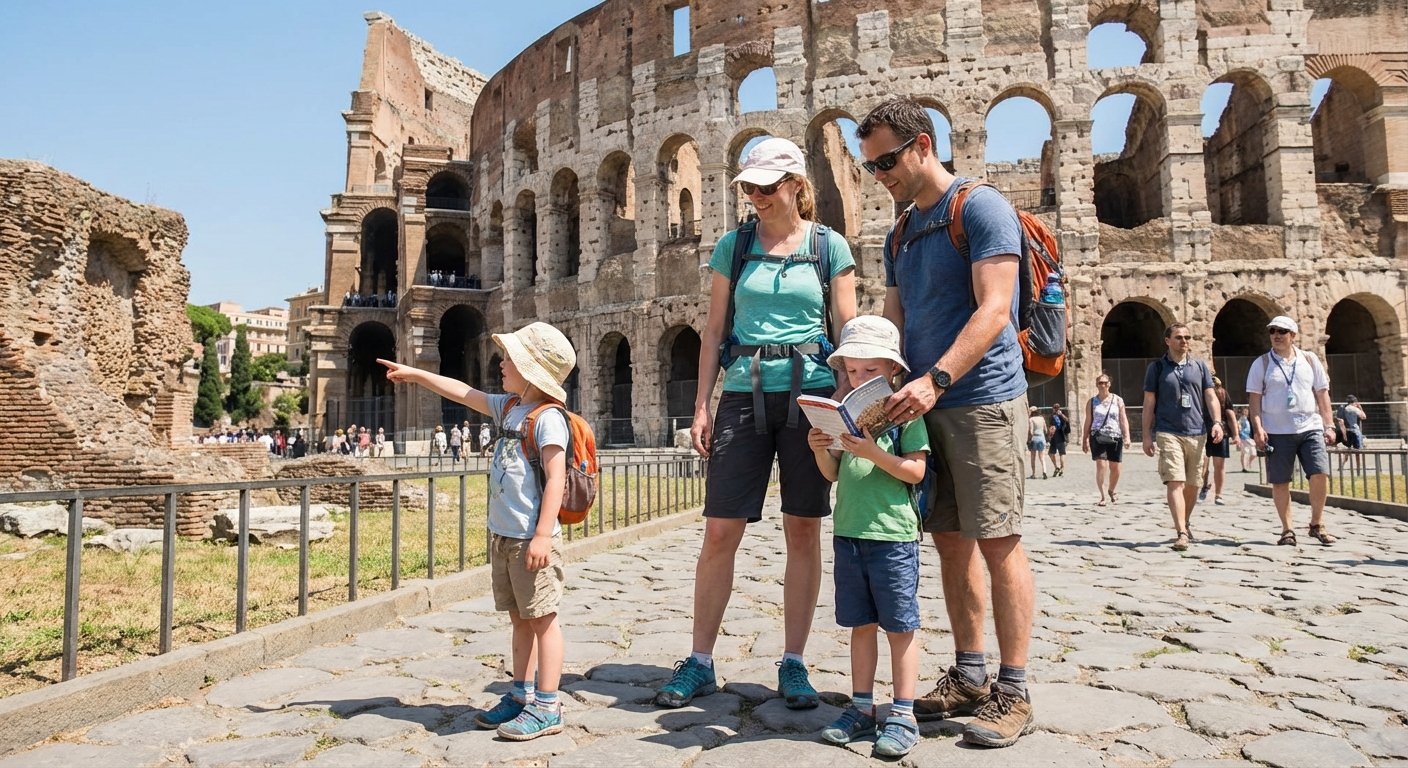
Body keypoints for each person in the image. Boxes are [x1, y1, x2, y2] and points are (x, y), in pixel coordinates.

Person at [655, 136, 857, 712]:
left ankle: (793, 662)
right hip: (744, 393)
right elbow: (713, 332)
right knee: (720, 529)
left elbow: (846, 333)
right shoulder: (733, 246)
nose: (756, 197)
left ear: (796, 183)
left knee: (802, 528)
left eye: (767, 187)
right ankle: (699, 659)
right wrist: (701, 405)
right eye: (749, 187)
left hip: (811, 394)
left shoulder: (829, 247)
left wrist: (847, 399)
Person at [858, 97, 1037, 748]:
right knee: (950, 541)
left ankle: (1013, 690)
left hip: (983, 398)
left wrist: (934, 380)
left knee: (999, 540)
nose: (881, 176)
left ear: (923, 144)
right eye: (870, 167)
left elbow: (994, 309)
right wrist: (871, 391)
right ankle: (969, 674)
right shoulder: (901, 232)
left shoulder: (981, 207)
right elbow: (894, 323)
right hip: (927, 405)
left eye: (887, 161)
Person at [379, 321, 576, 740]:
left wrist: (543, 535)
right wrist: (415, 373)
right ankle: (521, 694)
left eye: (511, 359)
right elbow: (460, 391)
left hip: (531, 539)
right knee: (519, 618)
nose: (502, 363)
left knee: (543, 620)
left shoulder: (548, 419)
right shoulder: (507, 406)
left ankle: (549, 704)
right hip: (504, 537)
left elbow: (556, 479)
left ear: (531, 368)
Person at [806, 316, 929, 757]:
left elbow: (915, 471)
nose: (859, 380)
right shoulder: (846, 414)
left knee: (900, 626)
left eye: (870, 372)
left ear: (893, 372)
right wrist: (822, 449)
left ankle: (902, 713)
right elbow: (834, 474)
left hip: (893, 536)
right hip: (850, 533)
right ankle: (861, 707)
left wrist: (874, 451)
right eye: (853, 372)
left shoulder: (904, 416)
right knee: (860, 624)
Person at [1247, 315, 1338, 546]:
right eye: (1273, 331)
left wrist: (1329, 425)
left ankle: (1316, 523)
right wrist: (1258, 428)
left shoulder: (1309, 359)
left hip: (1310, 426)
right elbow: (1254, 400)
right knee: (1280, 481)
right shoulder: (1262, 364)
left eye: (1282, 331)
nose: (1276, 335)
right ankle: (1287, 529)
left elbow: (1322, 393)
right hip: (1277, 430)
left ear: (1293, 335)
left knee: (1320, 473)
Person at [1142, 322, 1224, 551]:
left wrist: (1217, 422)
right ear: (1167, 340)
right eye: (1179, 337)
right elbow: (1149, 402)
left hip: (1197, 431)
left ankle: (1185, 522)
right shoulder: (1157, 368)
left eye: (1187, 337)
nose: (1184, 341)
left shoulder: (1200, 366)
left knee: (1192, 483)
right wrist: (1147, 435)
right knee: (1175, 481)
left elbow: (1210, 396)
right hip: (1168, 431)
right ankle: (1180, 531)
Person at [1082, 372, 1130, 506]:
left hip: (1115, 436)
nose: (1103, 385)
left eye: (1105, 382)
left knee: (1116, 467)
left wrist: (1127, 437)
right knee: (1101, 465)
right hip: (1097, 436)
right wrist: (1084, 439)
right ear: (1097, 385)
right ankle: (1102, 496)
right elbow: (1088, 421)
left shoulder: (1118, 400)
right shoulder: (1091, 402)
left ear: (1109, 384)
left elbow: (1123, 418)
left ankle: (1111, 489)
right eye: (1100, 383)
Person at [1198, 376, 1236, 505]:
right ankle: (1217, 494)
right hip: (1219, 430)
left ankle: (1207, 488)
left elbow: (1230, 413)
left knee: (1205, 464)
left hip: (1205, 430)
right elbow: (1230, 414)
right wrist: (1235, 434)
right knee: (1217, 465)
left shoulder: (1203, 392)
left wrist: (1236, 434)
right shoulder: (1222, 392)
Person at [1336, 395, 1367, 474]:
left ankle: (1342, 465)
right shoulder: (1354, 409)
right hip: (1355, 431)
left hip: (1347, 431)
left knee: (1348, 449)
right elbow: (1364, 417)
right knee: (1357, 451)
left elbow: (1340, 421)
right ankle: (1358, 470)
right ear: (1355, 402)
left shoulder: (1344, 408)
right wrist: (1360, 408)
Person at [1046, 404, 1070, 477]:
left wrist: (1049, 435)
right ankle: (1061, 468)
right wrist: (1061, 414)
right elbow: (1067, 421)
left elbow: (1050, 427)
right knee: (1061, 454)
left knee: (1051, 453)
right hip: (1060, 436)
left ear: (1053, 408)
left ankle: (1057, 467)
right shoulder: (1061, 415)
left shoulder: (1052, 416)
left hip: (1055, 436)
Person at [1026, 407, 1048, 480]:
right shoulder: (1042, 419)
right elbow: (1046, 430)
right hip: (1041, 438)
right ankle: (1044, 471)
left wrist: (1029, 439)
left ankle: (1033, 474)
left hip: (1034, 439)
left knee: (1033, 457)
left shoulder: (1031, 419)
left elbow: (1031, 431)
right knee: (1042, 458)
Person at [1236, 406, 1256, 472]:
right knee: (1245, 452)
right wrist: (1239, 429)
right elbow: (1238, 423)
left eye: (1246, 411)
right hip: (1243, 438)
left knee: (1253, 453)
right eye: (1244, 411)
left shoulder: (1247, 419)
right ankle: (1244, 467)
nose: (1246, 412)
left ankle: (1248, 463)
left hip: (1248, 438)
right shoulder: (1242, 419)